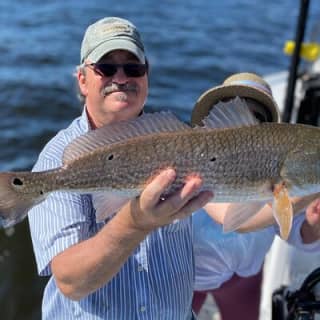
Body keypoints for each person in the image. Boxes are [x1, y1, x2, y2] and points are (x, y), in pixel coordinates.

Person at [27, 17, 320, 320]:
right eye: (106, 67)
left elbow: (236, 217)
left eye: (133, 67)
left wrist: (305, 201)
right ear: (82, 80)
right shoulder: (59, 160)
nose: (121, 77)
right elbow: (70, 282)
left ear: (146, 75)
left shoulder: (178, 138)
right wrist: (134, 222)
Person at [190, 73, 320, 320]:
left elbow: (294, 232)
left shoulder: (282, 176)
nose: (245, 128)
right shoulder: (196, 165)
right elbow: (232, 218)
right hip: (188, 276)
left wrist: (313, 224)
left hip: (245, 277)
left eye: (257, 119)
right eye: (232, 115)